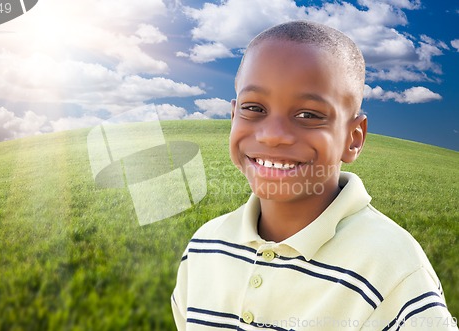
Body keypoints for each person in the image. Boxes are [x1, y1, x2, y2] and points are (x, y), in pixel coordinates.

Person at [171, 20, 457, 331]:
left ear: (354, 138)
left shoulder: (393, 268)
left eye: (308, 115)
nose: (272, 136)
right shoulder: (204, 246)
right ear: (232, 116)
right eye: (254, 108)